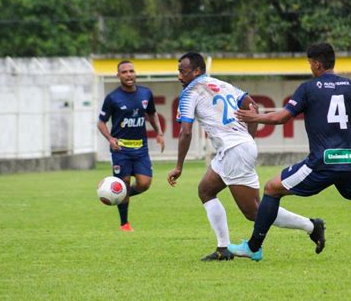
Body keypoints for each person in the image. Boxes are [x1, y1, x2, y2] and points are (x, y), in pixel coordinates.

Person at [228, 43, 351, 265]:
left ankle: (253, 247)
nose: (310, 68)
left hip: (321, 164)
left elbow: (282, 117)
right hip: (350, 163)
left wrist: (255, 118)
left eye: (310, 63)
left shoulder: (308, 88)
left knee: (271, 188)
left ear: (316, 63)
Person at [167, 52, 326, 261]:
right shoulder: (223, 85)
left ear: (196, 71)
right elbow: (253, 107)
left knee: (254, 212)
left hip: (235, 151)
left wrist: (179, 166)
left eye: (182, 71)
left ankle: (311, 226)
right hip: (233, 149)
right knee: (206, 190)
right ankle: (223, 249)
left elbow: (185, 131)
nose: (179, 76)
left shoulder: (190, 93)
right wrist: (247, 138)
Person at [97, 60, 165, 231]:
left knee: (144, 184)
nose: (129, 74)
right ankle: (124, 224)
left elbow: (152, 114)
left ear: (135, 73)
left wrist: (159, 133)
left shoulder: (145, 93)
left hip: (141, 148)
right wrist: (110, 139)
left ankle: (118, 194)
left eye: (131, 71)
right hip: (120, 149)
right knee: (124, 181)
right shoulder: (113, 98)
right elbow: (101, 123)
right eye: (124, 72)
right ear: (118, 75)